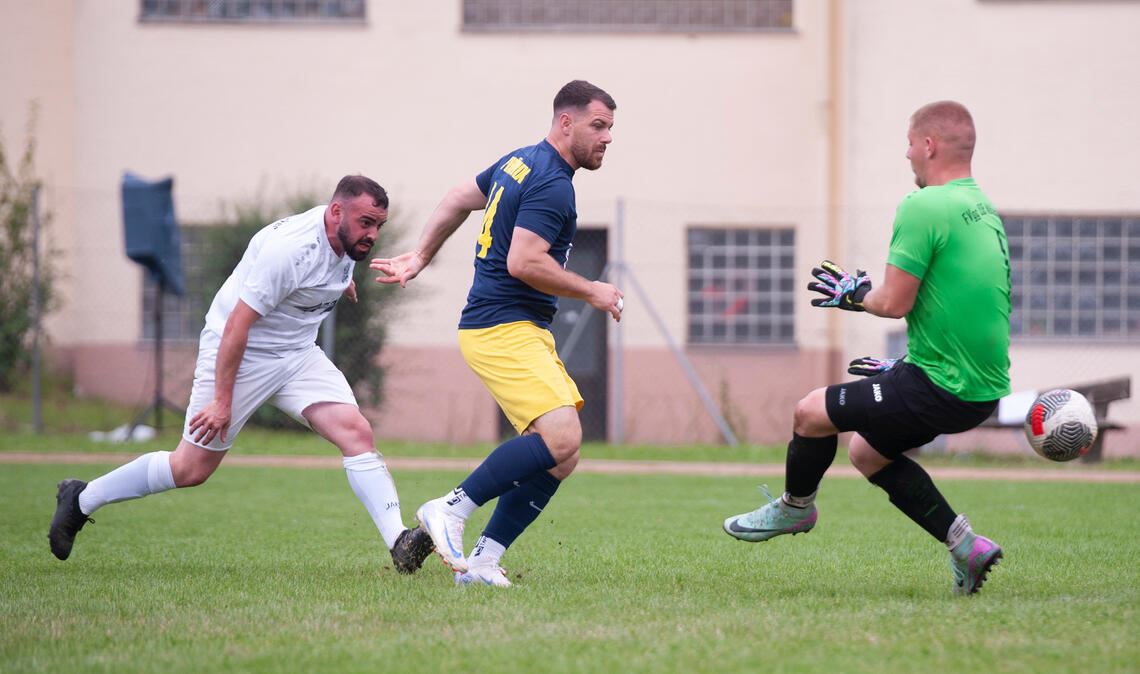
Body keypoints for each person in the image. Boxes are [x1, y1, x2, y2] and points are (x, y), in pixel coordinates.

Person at [49, 175, 435, 575]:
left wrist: (341, 284)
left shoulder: (342, 241)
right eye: (365, 222)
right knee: (190, 469)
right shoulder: (290, 250)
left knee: (356, 432)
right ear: (336, 211)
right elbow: (237, 325)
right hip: (242, 351)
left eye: (378, 226)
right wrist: (221, 400)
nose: (371, 233)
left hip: (297, 355)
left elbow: (321, 271)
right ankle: (81, 498)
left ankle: (399, 542)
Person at [722, 101, 1011, 595]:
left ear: (929, 145)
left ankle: (795, 509)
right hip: (980, 388)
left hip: (942, 384)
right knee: (867, 453)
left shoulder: (923, 205)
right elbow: (966, 304)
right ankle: (966, 545)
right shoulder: (982, 209)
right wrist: (907, 364)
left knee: (810, 413)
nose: (906, 155)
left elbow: (895, 303)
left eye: (909, 144)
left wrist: (856, 296)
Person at [371, 80, 622, 587]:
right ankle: (450, 509)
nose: (607, 138)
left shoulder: (519, 162)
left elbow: (458, 197)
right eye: (598, 126)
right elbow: (524, 261)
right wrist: (591, 290)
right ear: (565, 122)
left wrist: (421, 256)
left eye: (611, 128)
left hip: (514, 326)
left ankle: (484, 561)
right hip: (502, 326)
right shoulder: (553, 182)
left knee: (562, 455)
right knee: (563, 435)